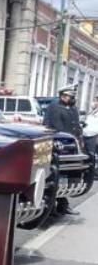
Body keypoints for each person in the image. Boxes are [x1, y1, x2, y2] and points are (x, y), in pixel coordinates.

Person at [43, 85, 83, 215]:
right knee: (55, 176)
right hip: (61, 147)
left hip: (71, 147)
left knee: (67, 177)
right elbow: (57, 128)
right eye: (70, 96)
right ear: (63, 96)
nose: (72, 99)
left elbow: (75, 127)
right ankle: (51, 206)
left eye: (73, 97)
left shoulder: (72, 108)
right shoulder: (55, 108)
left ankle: (62, 205)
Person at [82, 98, 98, 181]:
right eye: (94, 100)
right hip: (87, 135)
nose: (94, 103)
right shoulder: (92, 111)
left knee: (93, 155)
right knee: (88, 154)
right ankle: (88, 173)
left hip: (94, 136)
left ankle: (94, 173)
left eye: (96, 101)